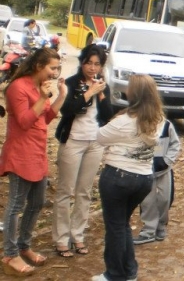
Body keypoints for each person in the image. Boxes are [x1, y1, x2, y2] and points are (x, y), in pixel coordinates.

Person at [0, 48, 66, 276]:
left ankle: (23, 246)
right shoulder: (18, 87)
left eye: (57, 68)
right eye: (52, 68)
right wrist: (42, 97)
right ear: (38, 66)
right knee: (16, 205)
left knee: (37, 203)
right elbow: (26, 121)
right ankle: (9, 254)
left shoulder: (41, 87)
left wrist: (61, 96)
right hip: (20, 153)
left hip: (37, 152)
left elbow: (45, 118)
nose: (55, 73)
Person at [93, 74, 163, 281]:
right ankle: (129, 271)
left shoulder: (124, 121)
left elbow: (100, 137)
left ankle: (114, 274)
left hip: (118, 177)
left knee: (115, 227)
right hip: (143, 178)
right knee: (122, 224)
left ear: (134, 95)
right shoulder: (158, 120)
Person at [52, 44, 114, 258]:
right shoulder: (71, 83)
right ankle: (61, 239)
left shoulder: (102, 85)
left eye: (97, 64)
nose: (92, 68)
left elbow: (108, 115)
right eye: (89, 62)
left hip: (94, 142)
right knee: (65, 191)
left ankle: (77, 235)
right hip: (73, 141)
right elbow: (67, 110)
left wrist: (101, 94)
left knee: (84, 192)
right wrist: (89, 93)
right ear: (82, 62)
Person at [133, 119, 181, 245]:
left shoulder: (166, 125)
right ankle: (148, 230)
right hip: (145, 170)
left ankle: (161, 225)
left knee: (165, 198)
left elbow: (175, 144)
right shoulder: (137, 124)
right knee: (147, 200)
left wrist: (167, 161)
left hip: (163, 170)